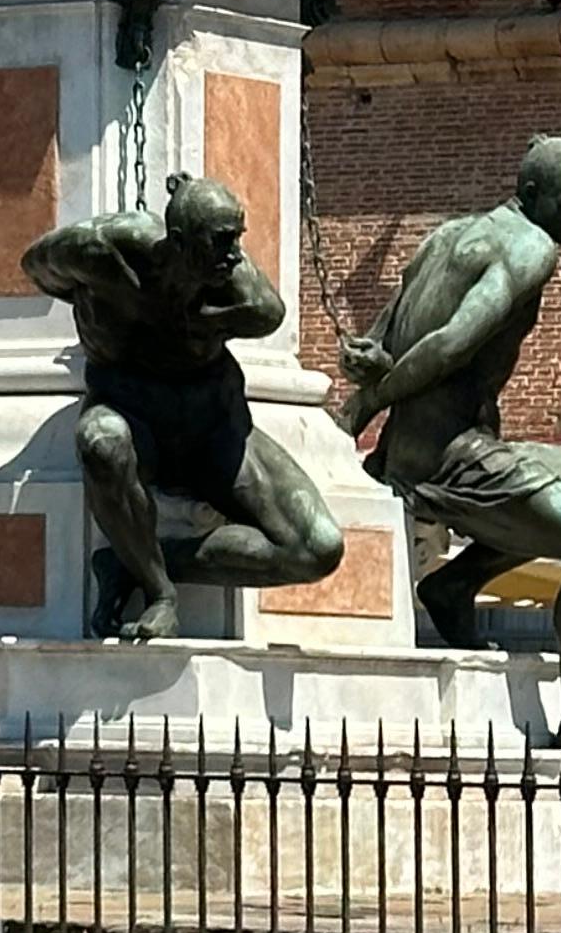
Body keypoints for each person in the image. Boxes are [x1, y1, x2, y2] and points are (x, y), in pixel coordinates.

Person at [341, 135, 561, 772]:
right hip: (449, 457)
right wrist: (363, 409)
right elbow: (453, 344)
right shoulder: (530, 247)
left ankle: (455, 587)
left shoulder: (445, 235)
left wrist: (359, 414)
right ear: (534, 196)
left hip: (444, 442)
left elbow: (376, 338)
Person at [23, 176, 341, 639]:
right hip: (129, 411)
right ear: (178, 242)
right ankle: (160, 592)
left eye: (238, 237)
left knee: (317, 549)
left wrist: (205, 318)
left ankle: (133, 560)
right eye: (222, 240)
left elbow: (268, 312)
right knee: (100, 443)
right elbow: (37, 265)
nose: (235, 254)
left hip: (213, 425)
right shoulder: (102, 252)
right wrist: (93, 298)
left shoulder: (234, 289)